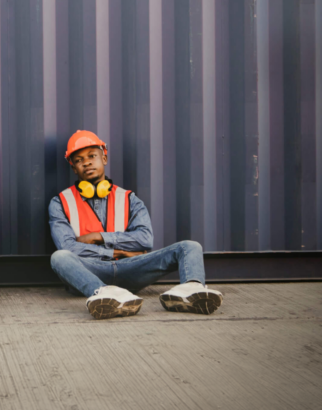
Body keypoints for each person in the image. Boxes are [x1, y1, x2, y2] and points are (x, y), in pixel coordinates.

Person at [48, 130, 223, 320]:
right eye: (79, 160)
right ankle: (104, 294)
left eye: (92, 156)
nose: (87, 162)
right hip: (90, 270)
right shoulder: (60, 202)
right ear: (74, 168)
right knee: (59, 257)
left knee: (190, 246)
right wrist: (119, 252)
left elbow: (145, 239)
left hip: (131, 267)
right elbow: (67, 247)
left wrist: (99, 237)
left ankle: (192, 290)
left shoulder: (129, 198)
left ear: (104, 158)